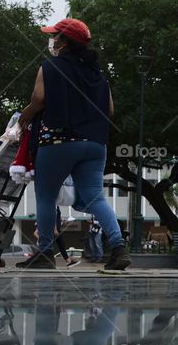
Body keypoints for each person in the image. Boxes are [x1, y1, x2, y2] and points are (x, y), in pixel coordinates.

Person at [16, 18, 130, 270]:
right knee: (95, 197)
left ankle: (45, 253)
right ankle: (118, 248)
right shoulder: (98, 74)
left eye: (56, 36)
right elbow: (109, 110)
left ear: (65, 42)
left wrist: (25, 116)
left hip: (59, 141)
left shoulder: (50, 66)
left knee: (45, 196)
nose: (53, 41)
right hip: (95, 144)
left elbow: (38, 99)